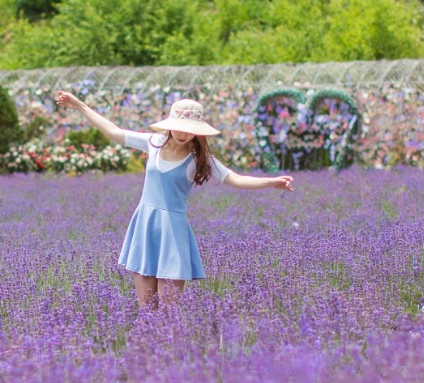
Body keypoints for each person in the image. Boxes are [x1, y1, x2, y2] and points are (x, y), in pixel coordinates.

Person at [56, 92, 293, 308]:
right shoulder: (154, 143)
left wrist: (270, 182)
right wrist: (79, 106)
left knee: (169, 314)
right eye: (179, 127)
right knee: (147, 311)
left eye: (189, 129)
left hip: (173, 232)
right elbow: (113, 132)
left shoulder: (200, 158)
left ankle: (174, 353)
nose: (182, 133)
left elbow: (236, 179)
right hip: (146, 226)